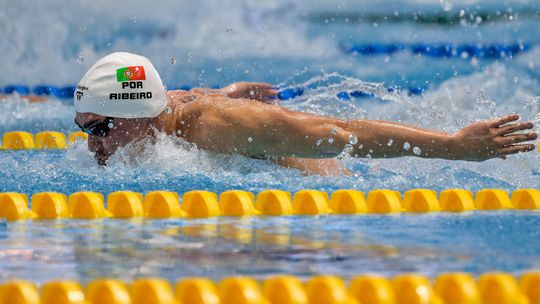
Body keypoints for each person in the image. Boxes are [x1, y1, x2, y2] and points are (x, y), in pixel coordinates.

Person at [74, 52, 537, 175]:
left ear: (136, 113)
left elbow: (342, 133)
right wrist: (236, 90)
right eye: (85, 130)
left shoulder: (218, 127)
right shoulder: (163, 108)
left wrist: (456, 147)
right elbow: (203, 91)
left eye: (99, 129)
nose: (93, 145)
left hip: (325, 186)